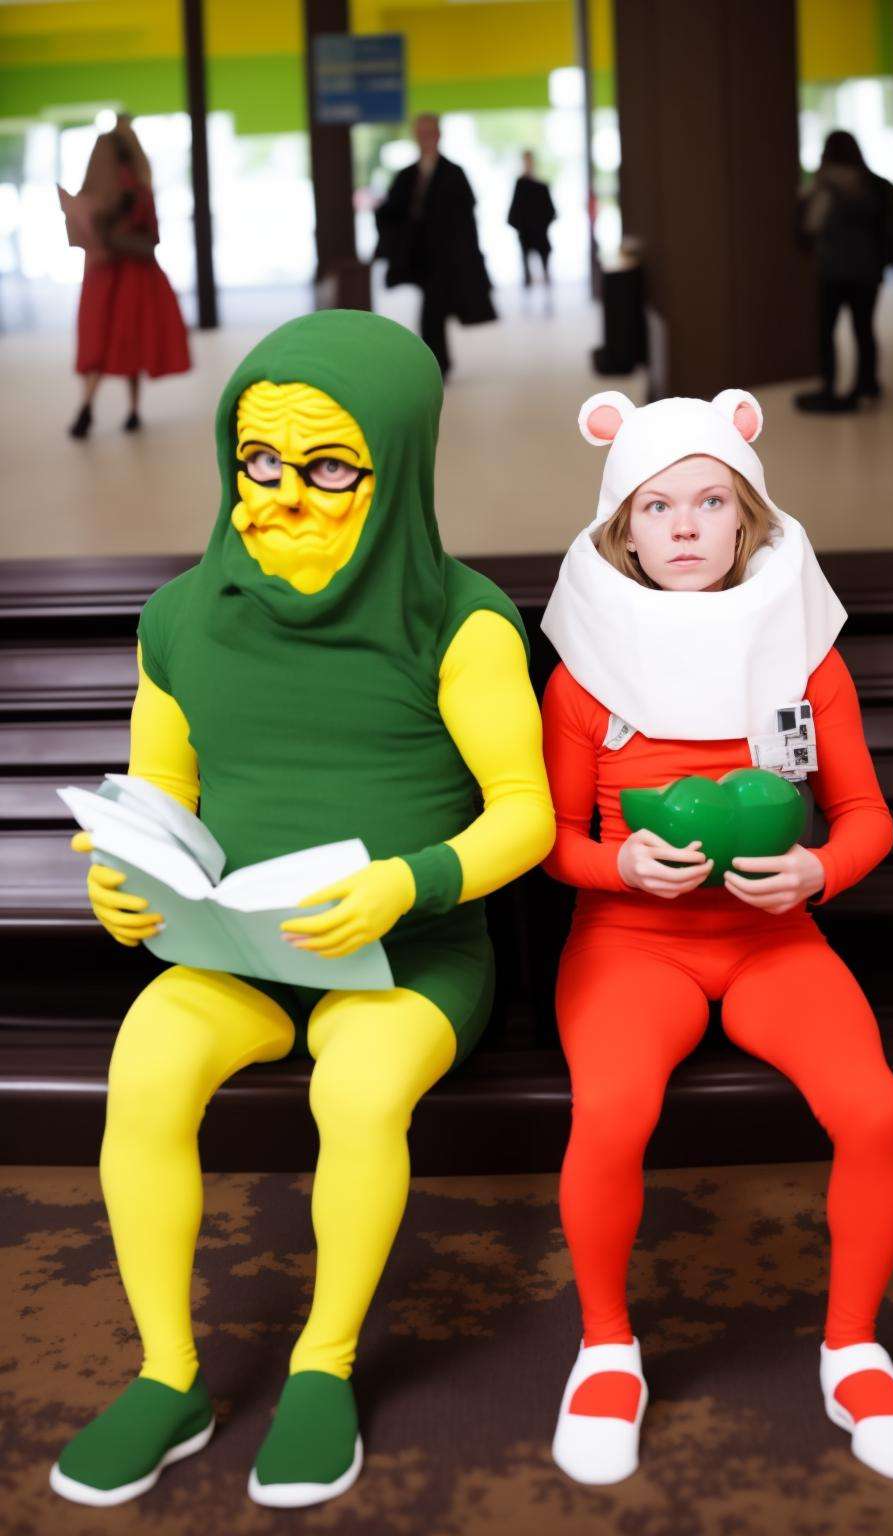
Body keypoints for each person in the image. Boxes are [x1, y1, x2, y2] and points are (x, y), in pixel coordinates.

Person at [49, 309, 554, 1510]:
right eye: (257, 461)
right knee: (146, 1071)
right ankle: (168, 1375)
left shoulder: (462, 620)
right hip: (235, 943)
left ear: (398, 463)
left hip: (409, 952)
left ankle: (321, 1366)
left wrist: (407, 882)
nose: (280, 494)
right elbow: (162, 784)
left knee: (358, 1090)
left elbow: (523, 811)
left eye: (327, 468)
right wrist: (127, 875)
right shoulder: (182, 616)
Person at [540, 387, 893, 1486]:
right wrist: (615, 863)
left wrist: (815, 871)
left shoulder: (805, 655)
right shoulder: (583, 670)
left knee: (875, 1107)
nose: (683, 526)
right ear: (621, 527)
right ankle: (606, 1347)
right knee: (613, 1109)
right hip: (630, 942)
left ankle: (854, 1350)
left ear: (747, 517)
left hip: (771, 943)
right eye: (657, 505)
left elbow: (866, 817)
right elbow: (550, 843)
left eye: (710, 502)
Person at [65, 115, 190, 439]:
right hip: (136, 272)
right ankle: (133, 411)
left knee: (99, 340)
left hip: (103, 272)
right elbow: (153, 234)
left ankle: (86, 406)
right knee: (130, 339)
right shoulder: (140, 188)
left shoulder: (94, 193)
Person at [374, 113, 496, 379]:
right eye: (421, 133)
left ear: (438, 136)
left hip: (445, 256)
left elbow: (465, 219)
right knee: (432, 309)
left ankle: (437, 363)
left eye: (429, 133)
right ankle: (436, 361)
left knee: (434, 309)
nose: (425, 139)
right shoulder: (407, 175)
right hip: (418, 255)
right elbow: (392, 212)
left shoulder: (453, 174)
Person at [795, 130, 893, 414]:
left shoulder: (821, 187)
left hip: (832, 270)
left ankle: (829, 386)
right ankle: (866, 385)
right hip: (867, 270)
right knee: (864, 329)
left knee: (826, 331)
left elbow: (807, 228)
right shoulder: (877, 186)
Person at [507, 151, 556, 287]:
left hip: (540, 232)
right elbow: (515, 210)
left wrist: (542, 225)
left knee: (545, 265)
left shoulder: (542, 186)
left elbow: (550, 211)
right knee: (526, 273)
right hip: (525, 232)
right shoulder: (520, 185)